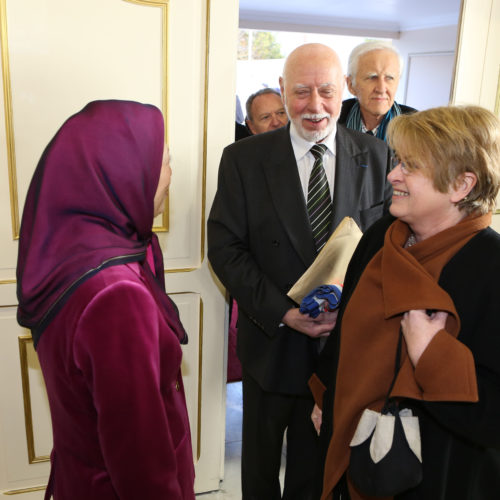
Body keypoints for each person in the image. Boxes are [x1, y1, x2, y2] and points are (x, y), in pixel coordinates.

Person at [207, 43, 392, 499]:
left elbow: (384, 251)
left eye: (326, 92)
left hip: (339, 351)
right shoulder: (243, 160)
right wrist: (284, 312)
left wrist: (346, 313)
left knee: (318, 469)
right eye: (302, 92)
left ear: (345, 89)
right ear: (283, 90)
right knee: (261, 470)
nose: (314, 106)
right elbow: (225, 248)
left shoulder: (377, 157)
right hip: (271, 343)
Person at [310, 105, 500, 500]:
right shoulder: (382, 235)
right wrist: (326, 397)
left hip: (430, 476)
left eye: (411, 166)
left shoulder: (491, 267)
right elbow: (346, 332)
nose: (393, 174)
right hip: (348, 446)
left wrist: (431, 354)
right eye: (398, 161)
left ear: (461, 185)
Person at [16, 100, 195, 500]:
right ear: (126, 173)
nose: (169, 174)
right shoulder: (117, 294)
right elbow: (139, 461)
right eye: (164, 161)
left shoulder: (73, 256)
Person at [338, 41, 416, 141]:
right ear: (350, 85)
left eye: (389, 78)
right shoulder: (330, 124)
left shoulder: (419, 130)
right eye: (372, 77)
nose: (381, 89)